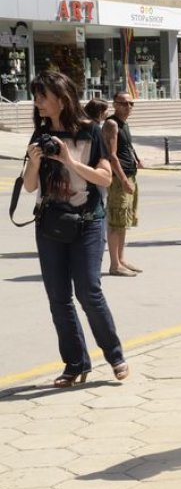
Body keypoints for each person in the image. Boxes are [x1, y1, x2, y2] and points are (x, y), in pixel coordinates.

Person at [22, 71, 129, 387]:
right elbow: (29, 187)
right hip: (50, 224)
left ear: (62, 97)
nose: (38, 102)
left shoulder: (90, 132)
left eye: (43, 95)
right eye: (36, 96)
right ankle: (75, 363)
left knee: (88, 291)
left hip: (87, 222)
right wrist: (35, 161)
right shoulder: (39, 136)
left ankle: (115, 355)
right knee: (58, 297)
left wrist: (68, 159)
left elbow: (105, 178)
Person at [103, 92, 144, 276]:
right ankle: (114, 264)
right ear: (115, 104)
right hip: (120, 179)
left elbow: (126, 146)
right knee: (116, 221)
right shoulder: (112, 124)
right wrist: (123, 180)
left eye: (131, 103)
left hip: (130, 174)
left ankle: (121, 259)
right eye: (124, 103)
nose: (128, 107)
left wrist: (137, 159)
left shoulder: (124, 123)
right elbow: (112, 155)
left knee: (125, 221)